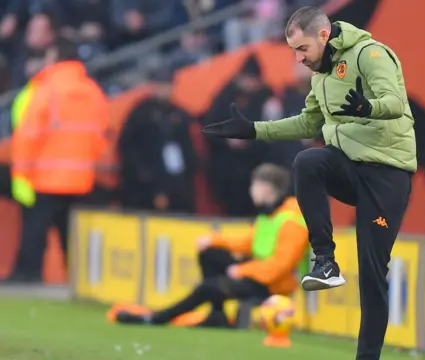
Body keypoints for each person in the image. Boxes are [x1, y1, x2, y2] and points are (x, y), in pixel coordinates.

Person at [202, 6, 415, 359]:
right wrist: (255, 130)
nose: (299, 59)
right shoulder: (322, 74)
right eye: (293, 52)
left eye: (302, 50)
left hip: (387, 177)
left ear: (323, 36)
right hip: (351, 169)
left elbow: (395, 102)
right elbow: (308, 124)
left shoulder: (371, 54)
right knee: (309, 161)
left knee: (372, 274)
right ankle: (325, 261)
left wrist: (368, 109)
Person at [115, 163, 309, 327]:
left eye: (254, 186)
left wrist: (242, 270)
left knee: (208, 288)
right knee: (210, 253)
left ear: (266, 189)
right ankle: (218, 316)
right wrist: (214, 240)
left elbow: (280, 266)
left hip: (273, 285)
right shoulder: (270, 214)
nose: (251, 190)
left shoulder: (292, 221)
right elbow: (248, 243)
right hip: (257, 275)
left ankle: (155, 318)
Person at [6, 36, 110, 283]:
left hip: (46, 176)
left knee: (35, 232)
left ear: (54, 58)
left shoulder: (46, 90)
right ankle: (80, 280)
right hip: (81, 178)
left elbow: (28, 136)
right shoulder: (93, 92)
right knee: (71, 235)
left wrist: (21, 173)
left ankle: (28, 275)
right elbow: (100, 135)